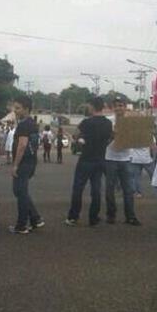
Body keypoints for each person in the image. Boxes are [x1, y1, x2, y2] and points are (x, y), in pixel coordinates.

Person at [65, 97, 113, 227]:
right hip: (100, 159)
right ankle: (93, 217)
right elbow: (110, 139)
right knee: (96, 189)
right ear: (102, 107)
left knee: (78, 188)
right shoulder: (108, 124)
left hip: (86, 158)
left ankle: (73, 216)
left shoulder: (86, 122)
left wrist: (80, 139)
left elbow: (75, 135)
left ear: (91, 107)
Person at [9, 95, 44, 234]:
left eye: (18, 108)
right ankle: (35, 218)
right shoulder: (32, 123)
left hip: (24, 163)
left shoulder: (24, 125)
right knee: (20, 191)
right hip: (31, 162)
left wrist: (15, 165)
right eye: (14, 107)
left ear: (26, 109)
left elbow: (22, 145)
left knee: (20, 192)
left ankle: (22, 225)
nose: (15, 110)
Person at [105, 98, 141, 226]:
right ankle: (111, 215)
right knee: (110, 188)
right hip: (110, 157)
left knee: (129, 189)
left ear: (125, 107)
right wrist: (113, 134)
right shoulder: (108, 121)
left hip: (126, 158)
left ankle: (130, 216)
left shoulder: (131, 121)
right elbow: (104, 139)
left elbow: (138, 137)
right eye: (116, 106)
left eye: (121, 105)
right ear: (112, 108)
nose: (119, 108)